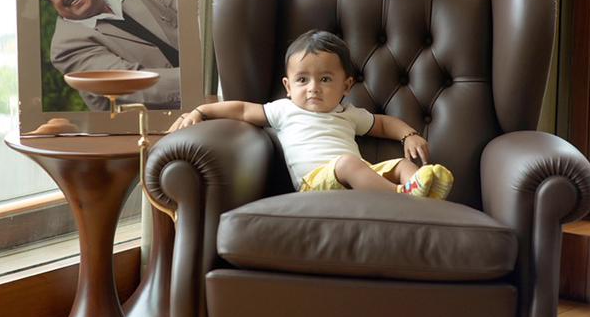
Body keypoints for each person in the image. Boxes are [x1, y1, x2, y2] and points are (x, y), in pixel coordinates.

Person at [170, 29, 453, 199]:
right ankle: (402, 198)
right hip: (315, 184)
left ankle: (422, 189)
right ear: (288, 87)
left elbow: (382, 124)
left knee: (400, 165)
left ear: (346, 86)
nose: (313, 88)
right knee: (348, 163)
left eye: (325, 79)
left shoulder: (348, 113)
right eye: (302, 80)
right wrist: (201, 111)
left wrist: (408, 135)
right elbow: (242, 109)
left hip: (352, 179)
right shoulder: (284, 110)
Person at [38, 0, 181, 111]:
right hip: (165, 121)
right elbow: (131, 81)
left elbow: (190, 5)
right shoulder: (66, 47)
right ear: (52, 3)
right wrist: (200, 77)